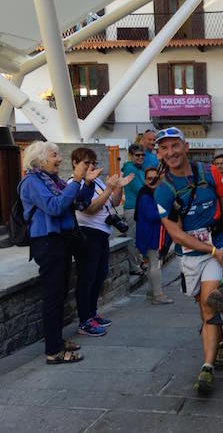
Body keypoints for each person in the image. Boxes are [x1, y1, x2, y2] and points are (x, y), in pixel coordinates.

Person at [154, 127, 223, 394]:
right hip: (189, 255)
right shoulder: (163, 189)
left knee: (209, 305)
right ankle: (221, 343)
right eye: (164, 148)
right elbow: (175, 233)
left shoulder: (209, 172)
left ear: (185, 147)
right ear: (159, 153)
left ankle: (207, 368)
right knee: (202, 308)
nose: (171, 152)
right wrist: (207, 250)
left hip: (216, 249)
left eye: (175, 146)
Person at [20, 142, 98, 364]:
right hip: (46, 243)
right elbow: (55, 207)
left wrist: (87, 183)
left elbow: (77, 202)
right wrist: (76, 179)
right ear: (40, 159)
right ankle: (53, 351)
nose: (60, 159)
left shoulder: (53, 181)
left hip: (60, 242)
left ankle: (57, 340)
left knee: (61, 293)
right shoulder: (31, 182)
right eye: (55, 155)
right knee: (53, 296)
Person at [69, 148, 133, 337]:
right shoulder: (75, 183)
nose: (91, 167)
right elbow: (89, 209)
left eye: (93, 163)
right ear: (75, 163)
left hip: (102, 234)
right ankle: (84, 321)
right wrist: (107, 189)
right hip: (87, 235)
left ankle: (91, 313)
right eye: (86, 163)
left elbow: (112, 202)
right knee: (87, 279)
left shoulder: (95, 180)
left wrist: (118, 186)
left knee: (98, 276)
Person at [135, 167, 173, 304]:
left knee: (153, 264)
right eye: (149, 178)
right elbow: (151, 215)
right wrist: (166, 212)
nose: (152, 181)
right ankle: (158, 295)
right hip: (151, 235)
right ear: (145, 180)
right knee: (155, 264)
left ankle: (152, 293)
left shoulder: (151, 193)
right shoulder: (146, 195)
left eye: (154, 178)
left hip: (152, 234)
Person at [122, 143, 146, 275]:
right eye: (137, 155)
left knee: (139, 238)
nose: (141, 157)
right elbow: (140, 189)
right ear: (131, 155)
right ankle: (133, 266)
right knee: (132, 238)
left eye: (142, 155)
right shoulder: (130, 169)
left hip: (141, 208)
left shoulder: (140, 169)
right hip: (133, 208)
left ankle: (139, 262)